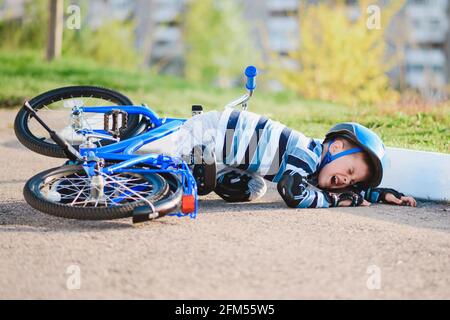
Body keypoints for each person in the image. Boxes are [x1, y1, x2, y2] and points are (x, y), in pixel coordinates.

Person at [143, 108, 417, 208]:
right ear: (335, 148)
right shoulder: (307, 153)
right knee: (166, 170)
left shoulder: (317, 167)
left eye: (353, 181)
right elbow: (293, 192)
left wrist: (378, 195)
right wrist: (335, 200)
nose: (346, 180)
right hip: (210, 134)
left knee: (255, 188)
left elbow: (347, 191)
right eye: (350, 170)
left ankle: (211, 172)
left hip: (226, 155)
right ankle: (144, 168)